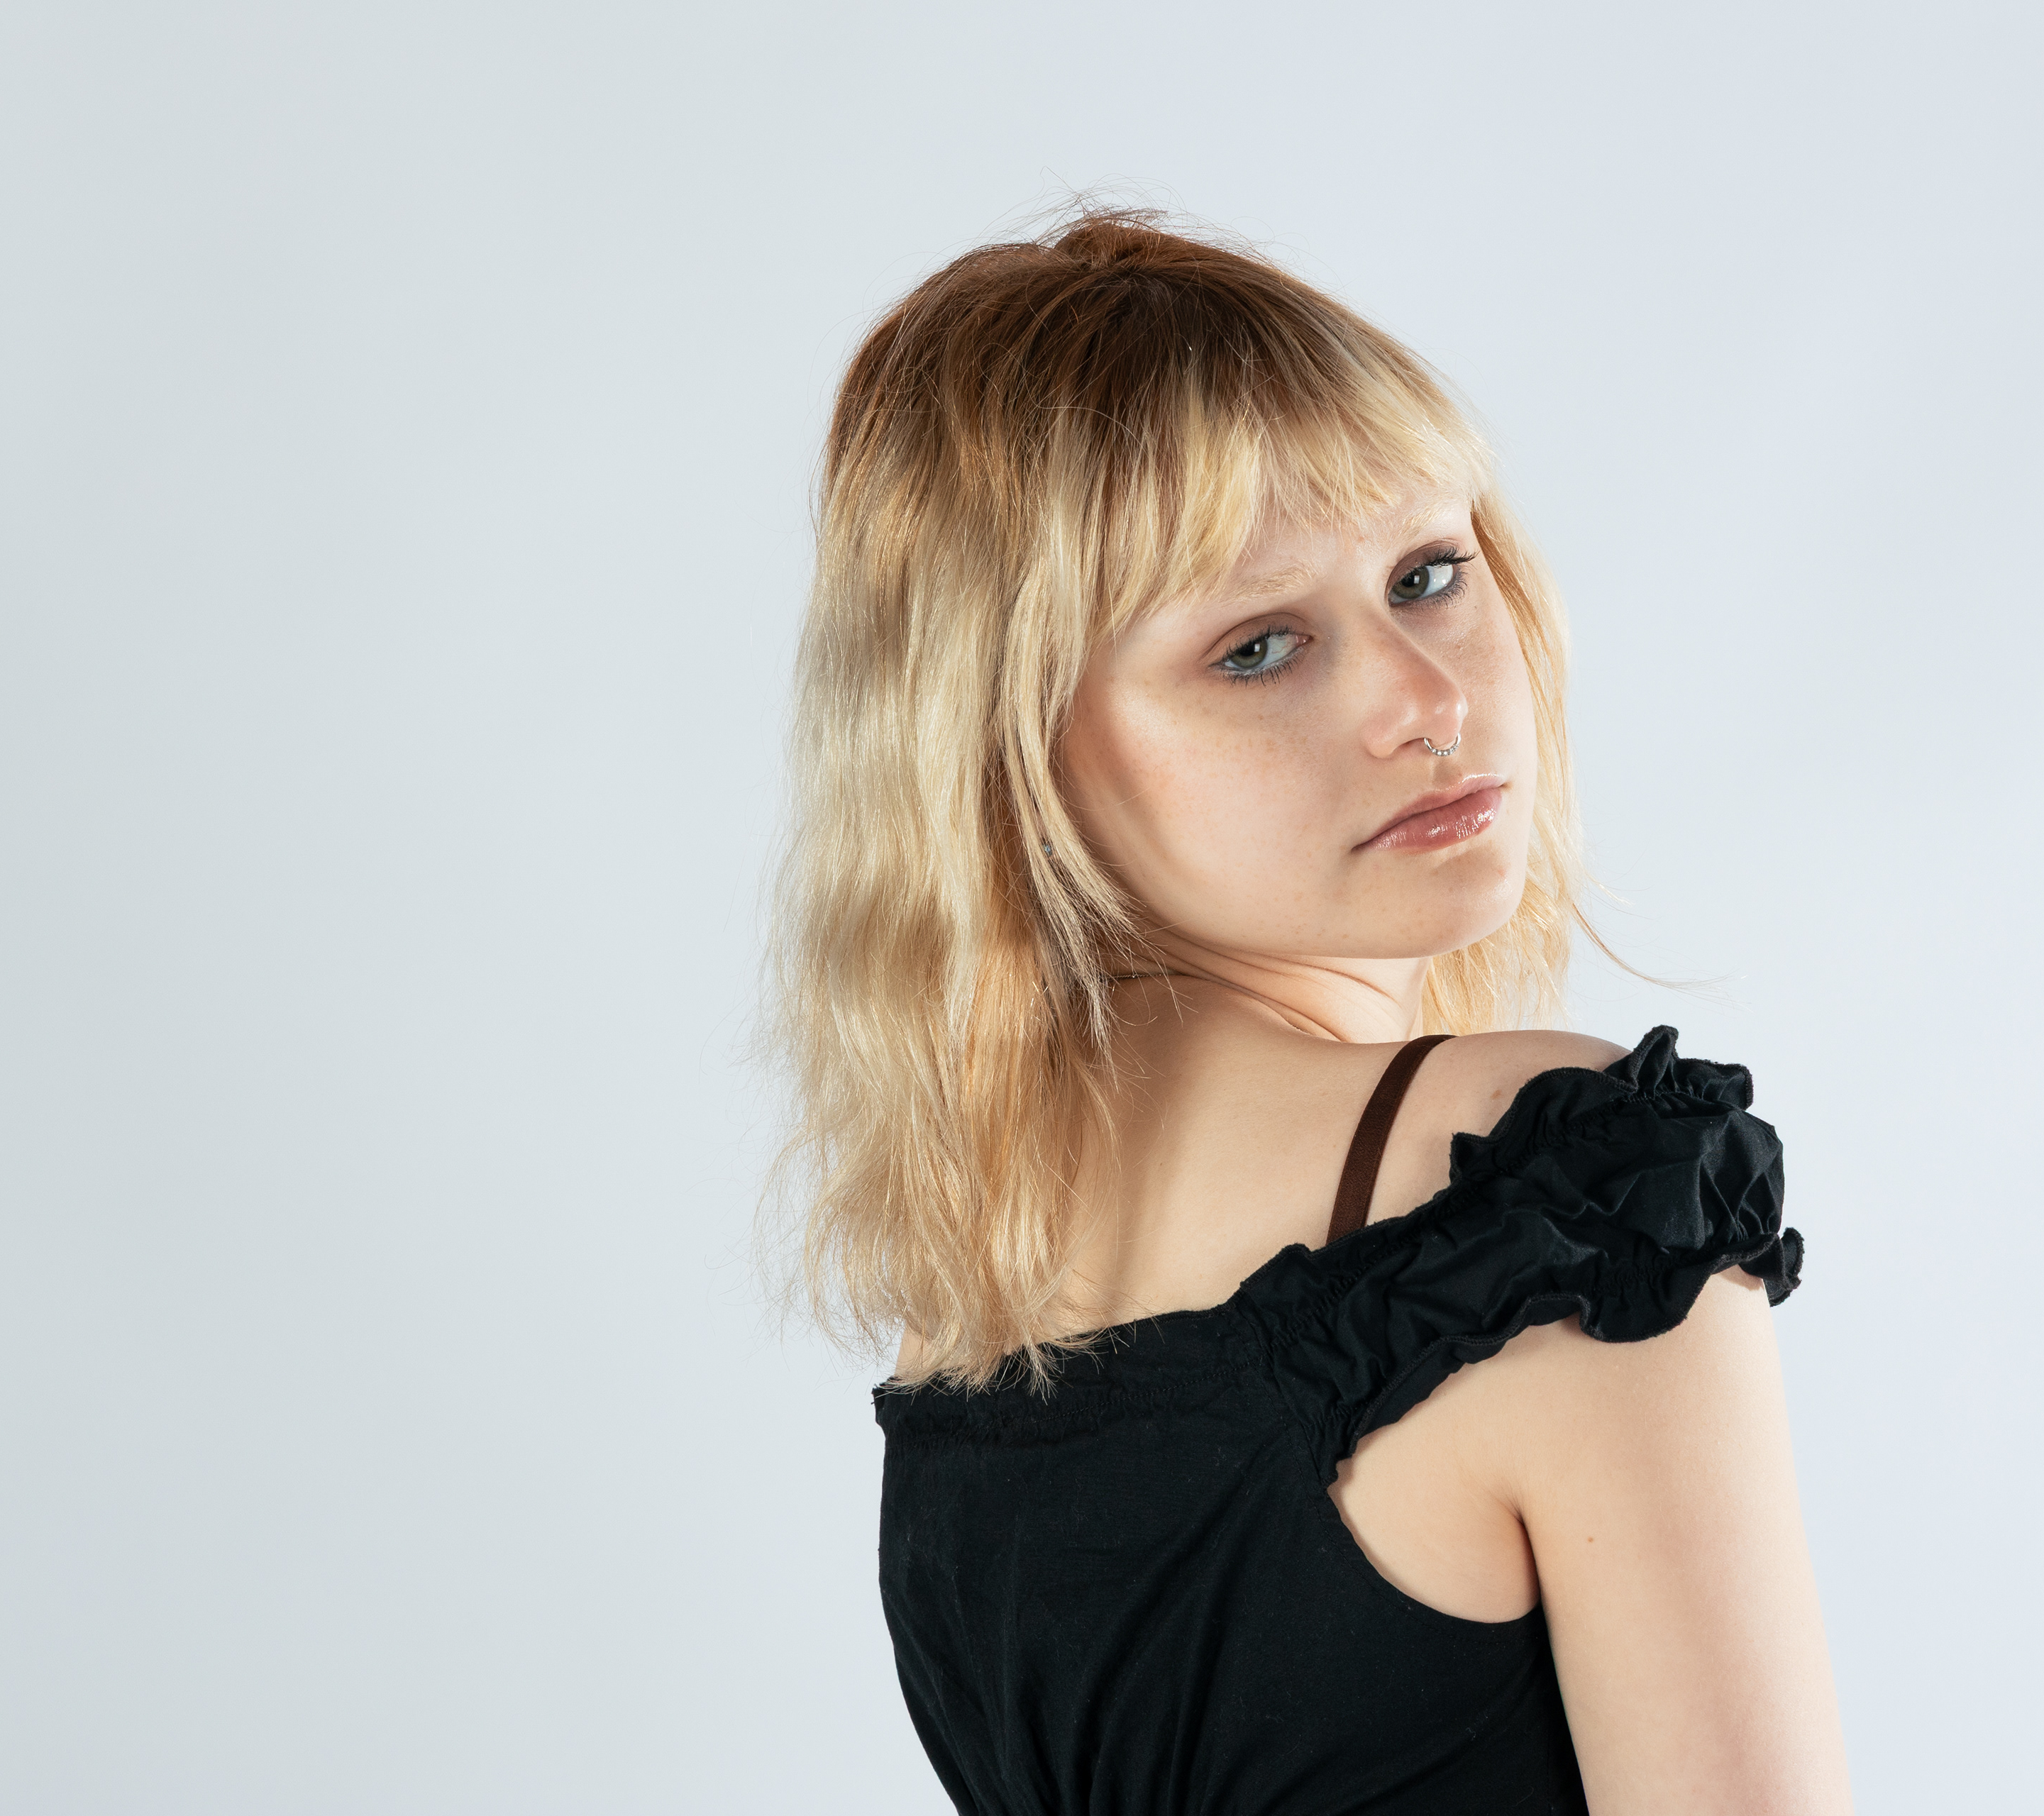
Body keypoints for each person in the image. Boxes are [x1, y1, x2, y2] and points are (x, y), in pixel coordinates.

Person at [768, 207, 1852, 1815]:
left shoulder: (972, 1310)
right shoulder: (1552, 1208)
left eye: (1429, 574)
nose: (1428, 699)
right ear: (1014, 754)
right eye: (1259, 647)